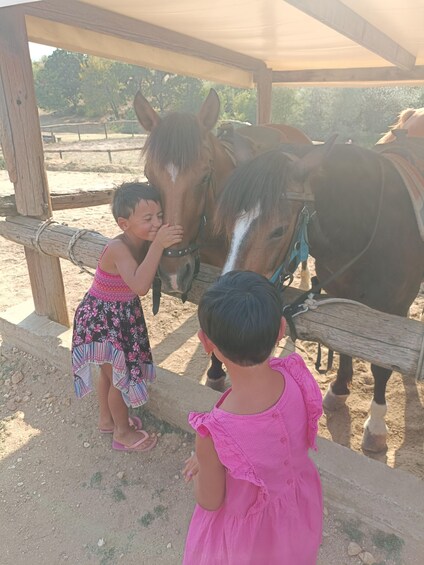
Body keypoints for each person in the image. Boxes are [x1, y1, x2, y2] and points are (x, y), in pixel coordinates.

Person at [182, 271, 323, 564]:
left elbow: (209, 501)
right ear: (282, 330)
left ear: (205, 343)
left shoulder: (213, 433)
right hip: (296, 514)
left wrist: (204, 466)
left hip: (245, 545)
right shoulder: (296, 376)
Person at [72, 181, 183, 452]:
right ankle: (121, 433)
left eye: (159, 216)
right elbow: (140, 286)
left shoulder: (141, 241)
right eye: (147, 218)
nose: (156, 223)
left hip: (116, 318)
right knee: (119, 382)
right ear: (124, 224)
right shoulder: (118, 247)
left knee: (110, 376)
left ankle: (107, 420)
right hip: (102, 322)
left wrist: (154, 242)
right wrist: (158, 245)